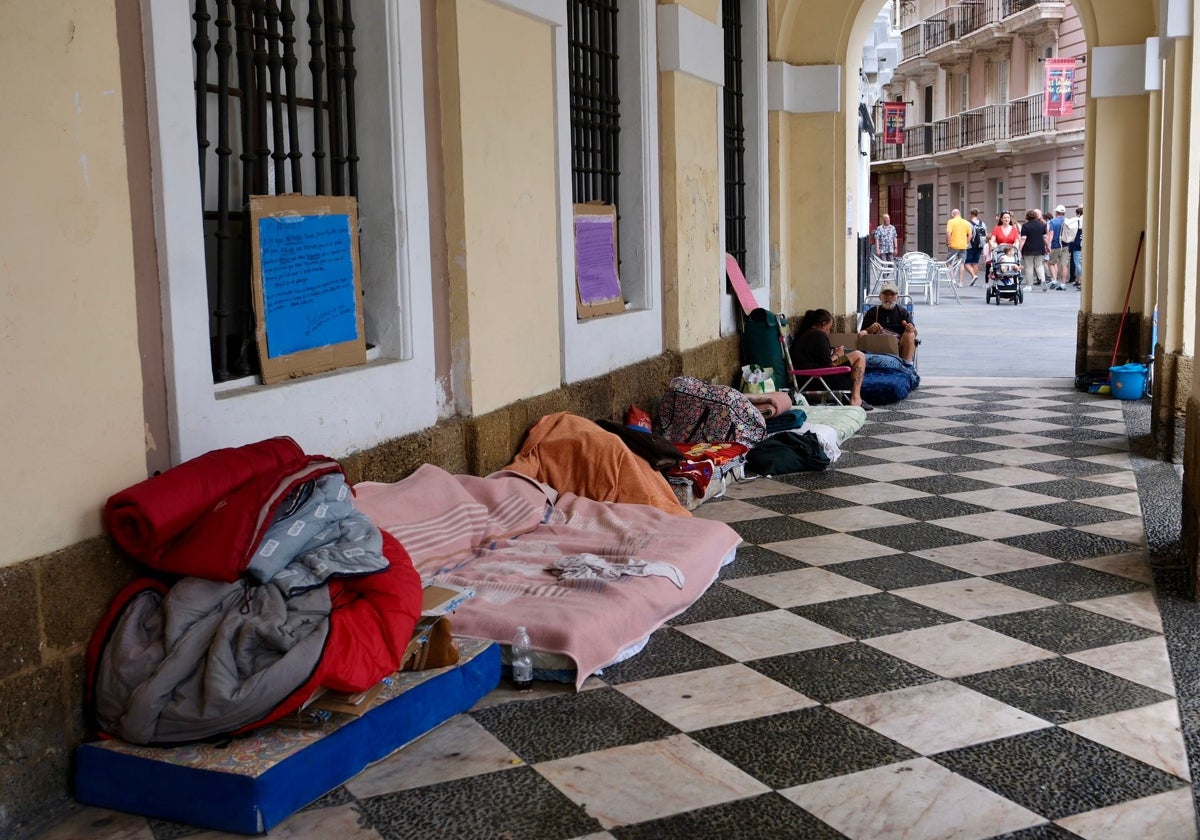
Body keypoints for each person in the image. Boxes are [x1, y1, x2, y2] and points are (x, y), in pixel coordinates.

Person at [790, 309, 872, 410]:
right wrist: (837, 355)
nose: (829, 332)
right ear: (824, 324)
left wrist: (835, 355)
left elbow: (822, 361)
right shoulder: (819, 335)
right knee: (859, 355)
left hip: (807, 379)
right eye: (830, 328)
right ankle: (856, 398)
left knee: (855, 356)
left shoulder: (803, 335)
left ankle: (854, 397)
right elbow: (828, 364)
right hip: (817, 380)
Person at [860, 282, 917, 363]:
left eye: (892, 294)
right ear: (880, 297)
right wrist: (870, 329)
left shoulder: (903, 312)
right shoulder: (872, 312)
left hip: (898, 348)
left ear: (897, 297)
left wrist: (911, 329)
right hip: (878, 347)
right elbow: (861, 334)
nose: (889, 297)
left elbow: (915, 333)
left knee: (910, 334)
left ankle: (905, 367)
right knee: (863, 334)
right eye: (886, 294)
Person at [1017, 208, 1049, 289]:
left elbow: (1023, 238)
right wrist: (1048, 246)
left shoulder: (1025, 226)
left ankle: (1029, 285)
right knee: (1039, 265)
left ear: (1027, 217)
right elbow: (1045, 237)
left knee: (1029, 267)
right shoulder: (1042, 225)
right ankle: (1043, 280)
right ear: (1036, 216)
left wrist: (1020, 248)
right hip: (1040, 248)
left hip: (1028, 249)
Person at [987, 210, 1019, 285]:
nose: (1006, 219)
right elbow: (992, 240)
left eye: (1008, 217)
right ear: (1001, 219)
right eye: (1004, 218)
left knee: (1014, 261)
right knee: (1000, 262)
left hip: (1011, 251)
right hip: (1000, 251)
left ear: (1010, 219)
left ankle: (1012, 278)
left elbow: (1017, 240)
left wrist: (1016, 245)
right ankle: (1005, 278)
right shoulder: (997, 228)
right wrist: (992, 244)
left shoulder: (1014, 229)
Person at [945, 208, 971, 286]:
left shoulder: (951, 222)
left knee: (948, 262)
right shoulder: (966, 222)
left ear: (953, 214)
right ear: (959, 214)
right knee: (962, 264)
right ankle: (961, 282)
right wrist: (966, 243)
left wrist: (948, 243)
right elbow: (970, 235)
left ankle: (952, 279)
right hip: (963, 246)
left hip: (954, 245)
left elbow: (948, 233)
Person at [1045, 204, 1068, 289]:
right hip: (1065, 245)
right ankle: (1063, 284)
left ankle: (1054, 280)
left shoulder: (1052, 221)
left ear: (1056, 212)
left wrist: (1048, 245)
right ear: (1064, 213)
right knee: (1064, 265)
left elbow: (1051, 234)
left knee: (1051, 263)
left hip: (1055, 245)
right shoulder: (1067, 221)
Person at [965, 209, 987, 286]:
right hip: (980, 245)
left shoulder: (968, 223)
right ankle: (973, 279)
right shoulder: (982, 223)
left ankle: (974, 276)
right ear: (978, 214)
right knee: (975, 263)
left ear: (971, 214)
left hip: (971, 245)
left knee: (966, 263)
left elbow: (967, 234)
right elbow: (986, 234)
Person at [1064, 204, 1083, 289]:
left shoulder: (1077, 221)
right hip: (1081, 243)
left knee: (1077, 263)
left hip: (1076, 244)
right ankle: (1078, 280)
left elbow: (1067, 224)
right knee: (1079, 262)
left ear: (1078, 214)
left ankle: (1081, 280)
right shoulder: (1083, 221)